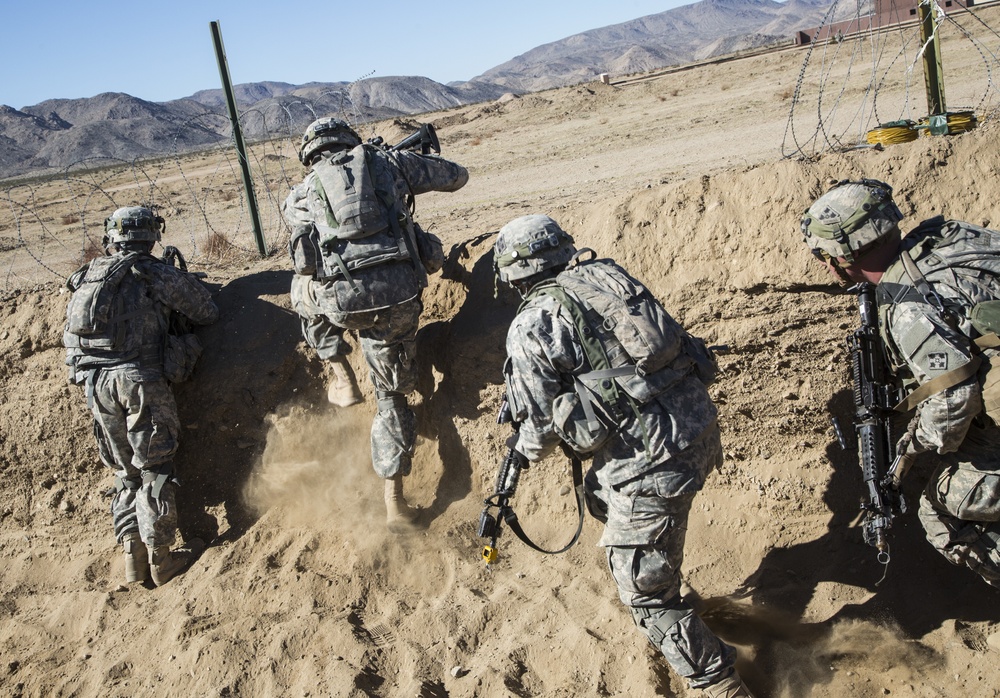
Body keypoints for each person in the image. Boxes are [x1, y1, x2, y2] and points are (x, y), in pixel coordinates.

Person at [494, 215, 754, 698]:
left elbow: (540, 426)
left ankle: (721, 687)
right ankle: (661, 570)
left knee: (646, 598)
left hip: (651, 462)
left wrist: (520, 454)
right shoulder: (607, 276)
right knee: (600, 495)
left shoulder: (532, 322)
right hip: (696, 426)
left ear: (513, 273)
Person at [801, 178, 1000, 588]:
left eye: (824, 255)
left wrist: (905, 457)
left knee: (940, 509)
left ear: (843, 255)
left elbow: (952, 403)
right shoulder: (952, 239)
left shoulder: (909, 307)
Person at [283, 117, 468, 529]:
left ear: (310, 155)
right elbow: (458, 177)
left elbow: (305, 261)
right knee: (391, 399)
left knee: (299, 290)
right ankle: (395, 504)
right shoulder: (388, 162)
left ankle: (339, 370)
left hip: (342, 304)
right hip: (399, 294)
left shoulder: (300, 194)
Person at [63, 206, 219, 586]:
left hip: (96, 384)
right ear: (151, 236)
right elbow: (206, 312)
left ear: (111, 237)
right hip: (140, 382)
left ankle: (132, 556)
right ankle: (161, 559)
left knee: (125, 472)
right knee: (156, 469)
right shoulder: (152, 272)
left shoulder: (87, 276)